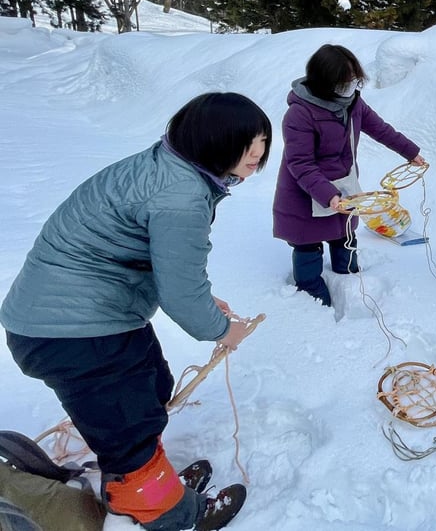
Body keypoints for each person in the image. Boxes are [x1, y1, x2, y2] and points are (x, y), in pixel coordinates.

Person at [1, 92, 271, 531]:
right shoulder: (181, 195)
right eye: (247, 143)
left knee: (151, 389)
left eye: (262, 140)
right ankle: (163, 509)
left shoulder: (170, 165)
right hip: (70, 331)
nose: (258, 154)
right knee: (128, 424)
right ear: (211, 141)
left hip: (84, 314)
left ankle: (150, 479)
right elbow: (181, 293)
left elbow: (164, 268)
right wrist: (222, 328)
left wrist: (198, 299)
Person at [272, 44, 424, 306]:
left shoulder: (354, 103)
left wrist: (410, 152)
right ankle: (310, 292)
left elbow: (381, 129)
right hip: (307, 189)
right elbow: (301, 163)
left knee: (343, 232)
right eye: (344, 82)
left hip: (343, 183)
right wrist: (326, 194)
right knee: (308, 243)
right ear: (324, 82)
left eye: (353, 80)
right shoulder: (299, 113)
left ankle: (349, 274)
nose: (350, 87)